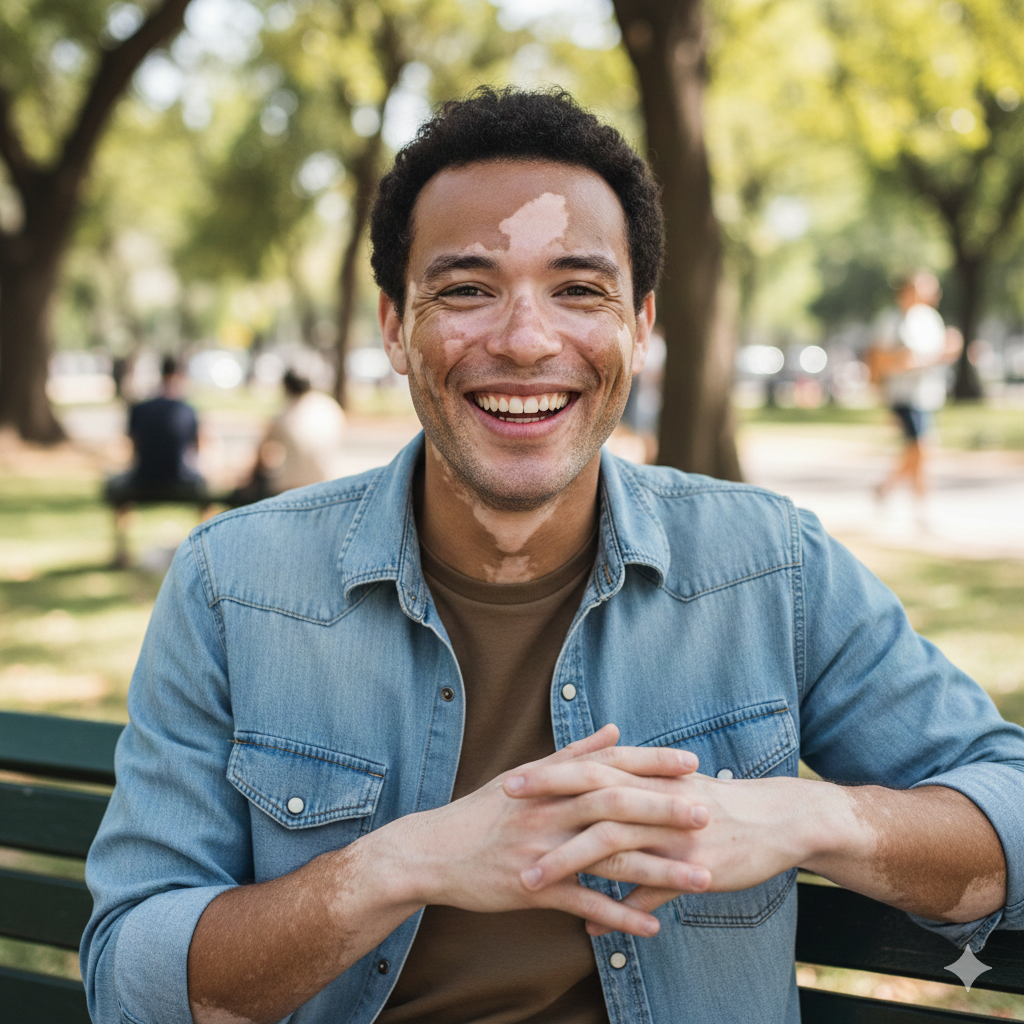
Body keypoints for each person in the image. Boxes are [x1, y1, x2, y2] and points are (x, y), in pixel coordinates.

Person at [82, 89, 1024, 1024]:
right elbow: (133, 975)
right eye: (465, 290)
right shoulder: (230, 586)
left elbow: (1009, 812)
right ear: (392, 329)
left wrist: (803, 818)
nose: (526, 341)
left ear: (641, 326)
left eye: (579, 289)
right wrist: (400, 863)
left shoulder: (768, 566)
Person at [868, 272, 962, 512]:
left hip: (927, 394)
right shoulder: (892, 320)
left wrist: (948, 351)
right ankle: (919, 506)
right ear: (909, 290)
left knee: (919, 451)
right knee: (922, 448)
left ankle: (886, 489)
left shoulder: (931, 319)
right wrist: (881, 395)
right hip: (903, 396)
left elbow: (932, 357)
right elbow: (878, 361)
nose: (934, 291)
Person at [103, 355, 209, 567]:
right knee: (206, 490)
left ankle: (121, 553)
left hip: (143, 478)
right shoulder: (188, 410)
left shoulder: (140, 408)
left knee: (115, 486)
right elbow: (198, 448)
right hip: (181, 479)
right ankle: (207, 552)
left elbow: (132, 445)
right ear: (180, 376)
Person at [230, 370, 347, 505]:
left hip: (293, 489)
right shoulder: (329, 406)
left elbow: (261, 455)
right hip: (330, 483)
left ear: (286, 387)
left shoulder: (284, 413)